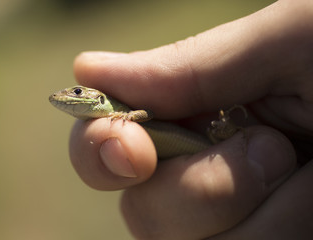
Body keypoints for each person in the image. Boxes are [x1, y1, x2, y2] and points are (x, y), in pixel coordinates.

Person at [69, 0, 313, 239]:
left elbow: (149, 114)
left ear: (99, 99)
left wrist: (130, 115)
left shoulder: (123, 112)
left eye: (77, 92)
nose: (70, 97)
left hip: (208, 144)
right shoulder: (113, 120)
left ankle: (227, 129)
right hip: (203, 152)